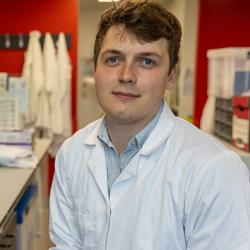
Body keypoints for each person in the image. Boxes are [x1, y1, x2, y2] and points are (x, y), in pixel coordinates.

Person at [49, 0, 250, 249]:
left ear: (171, 76)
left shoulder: (215, 169)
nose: (126, 75)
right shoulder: (72, 152)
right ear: (96, 68)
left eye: (146, 62)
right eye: (113, 59)